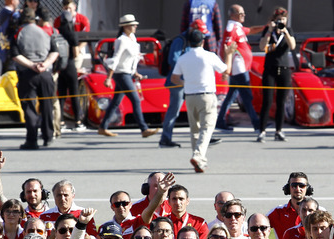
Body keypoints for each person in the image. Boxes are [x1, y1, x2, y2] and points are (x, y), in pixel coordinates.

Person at [171, 29, 232, 172]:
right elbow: (226, 70)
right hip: (207, 95)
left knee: (195, 130)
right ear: (203, 42)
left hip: (190, 96)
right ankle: (198, 156)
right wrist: (228, 54)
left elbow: (174, 78)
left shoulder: (183, 57)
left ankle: (199, 160)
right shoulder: (209, 56)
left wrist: (186, 83)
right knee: (207, 128)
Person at [97, 15, 159, 140]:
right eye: (132, 25)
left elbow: (132, 58)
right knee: (135, 99)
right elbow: (116, 59)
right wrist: (109, 77)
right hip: (121, 74)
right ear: (125, 27)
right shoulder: (121, 40)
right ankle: (144, 128)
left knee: (116, 102)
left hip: (126, 73)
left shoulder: (132, 38)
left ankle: (103, 127)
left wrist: (134, 72)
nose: (135, 26)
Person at [11, 7, 58, 150]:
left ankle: (32, 140)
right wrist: (44, 65)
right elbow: (55, 52)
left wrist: (32, 65)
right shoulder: (45, 32)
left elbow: (15, 55)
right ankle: (48, 136)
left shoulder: (18, 33)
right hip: (45, 73)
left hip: (28, 74)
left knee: (30, 107)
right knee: (47, 105)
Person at [160, 19, 208, 148]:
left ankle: (205, 136)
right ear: (193, 29)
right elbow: (173, 60)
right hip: (178, 81)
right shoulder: (180, 41)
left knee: (199, 108)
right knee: (174, 110)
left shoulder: (191, 41)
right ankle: (165, 138)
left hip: (189, 80)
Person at [216, 5, 261, 133]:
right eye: (241, 13)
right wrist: (227, 68)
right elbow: (226, 49)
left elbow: (250, 30)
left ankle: (220, 121)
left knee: (232, 95)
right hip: (238, 68)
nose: (243, 15)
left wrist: (265, 27)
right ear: (233, 15)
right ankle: (256, 124)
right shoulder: (231, 28)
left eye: (243, 13)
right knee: (247, 96)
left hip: (240, 67)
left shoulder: (238, 27)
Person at [257, 7, 296, 142]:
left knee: (281, 102)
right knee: (267, 101)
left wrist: (285, 32)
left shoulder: (288, 31)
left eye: (284, 19)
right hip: (270, 68)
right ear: (274, 20)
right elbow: (262, 47)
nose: (281, 21)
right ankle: (262, 131)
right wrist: (269, 30)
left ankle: (279, 130)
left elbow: (292, 46)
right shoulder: (268, 31)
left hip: (284, 68)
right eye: (279, 19)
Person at [55, 0, 86, 133]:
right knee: (74, 93)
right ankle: (77, 121)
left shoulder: (57, 33)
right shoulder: (72, 35)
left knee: (61, 93)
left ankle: (60, 120)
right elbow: (75, 52)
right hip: (70, 64)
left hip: (60, 65)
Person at [269, 173, 312, 239]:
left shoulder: (318, 210)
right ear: (288, 188)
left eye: (302, 186)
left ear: (307, 188)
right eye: (294, 186)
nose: (298, 189)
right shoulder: (278, 212)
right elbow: (257, 227)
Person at [0, 0, 20, 74]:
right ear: (12, 1)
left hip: (5, 48)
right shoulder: (9, 13)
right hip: (8, 49)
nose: (18, 2)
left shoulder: (4, 12)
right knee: (9, 73)